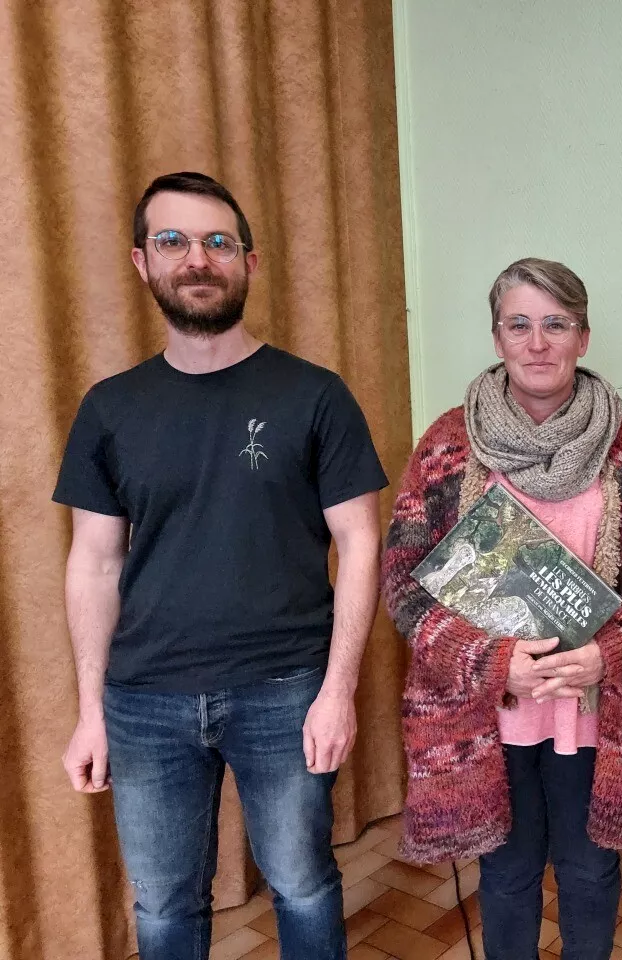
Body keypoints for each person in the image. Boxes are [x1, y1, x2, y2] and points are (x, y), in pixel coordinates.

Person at [54, 171, 387, 960]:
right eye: (173, 241)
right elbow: (95, 564)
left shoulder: (315, 395)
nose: (196, 258)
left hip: (284, 692)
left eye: (217, 242)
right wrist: (92, 709)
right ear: (143, 263)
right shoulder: (109, 408)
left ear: (249, 261)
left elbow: (362, 543)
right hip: (144, 703)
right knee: (165, 905)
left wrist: (337, 692)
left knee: (302, 883)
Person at [382, 258, 622, 960]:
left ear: (583, 337)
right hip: (490, 711)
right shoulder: (446, 446)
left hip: (596, 708)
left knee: (590, 870)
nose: (538, 342)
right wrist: (492, 662)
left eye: (556, 324)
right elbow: (403, 582)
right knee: (508, 871)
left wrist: (609, 652)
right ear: (497, 338)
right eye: (519, 324)